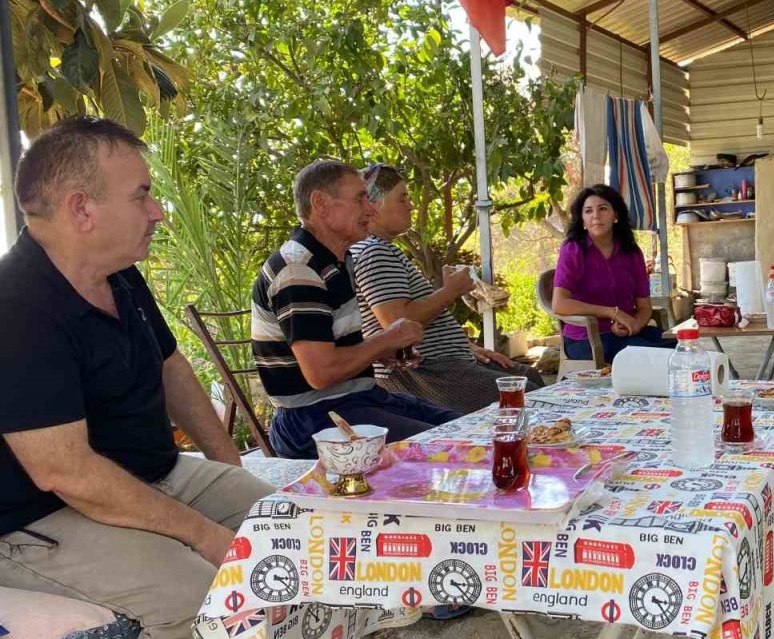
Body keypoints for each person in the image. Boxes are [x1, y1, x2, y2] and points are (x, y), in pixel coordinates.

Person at [0, 116, 276, 639]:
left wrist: (227, 463)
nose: (158, 213)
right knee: (200, 596)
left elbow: (169, 365)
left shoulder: (118, 274)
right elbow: (66, 473)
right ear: (81, 209)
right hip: (40, 517)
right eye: (141, 196)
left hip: (154, 475)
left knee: (287, 529)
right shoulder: (16, 307)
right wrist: (201, 535)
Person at [251, 160, 462, 459]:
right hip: (313, 419)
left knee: (466, 431)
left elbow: (331, 359)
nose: (371, 209)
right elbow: (321, 373)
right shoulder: (299, 269)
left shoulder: (335, 262)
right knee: (448, 451)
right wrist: (388, 339)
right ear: (320, 204)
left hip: (353, 402)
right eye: (360, 199)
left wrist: (382, 351)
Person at [350, 164, 545, 414]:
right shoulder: (374, 252)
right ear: (374, 206)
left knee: (527, 376)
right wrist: (449, 292)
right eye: (403, 197)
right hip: (425, 373)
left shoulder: (380, 250)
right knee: (526, 396)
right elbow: (397, 324)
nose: (410, 205)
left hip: (441, 365)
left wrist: (468, 348)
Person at [552, 184, 675, 363]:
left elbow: (644, 307)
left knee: (682, 349)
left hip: (627, 334)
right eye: (588, 211)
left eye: (602, 209)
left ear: (615, 214)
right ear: (582, 220)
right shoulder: (573, 250)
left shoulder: (631, 252)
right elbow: (559, 304)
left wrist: (633, 325)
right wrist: (613, 313)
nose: (595, 216)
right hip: (586, 339)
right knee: (651, 355)